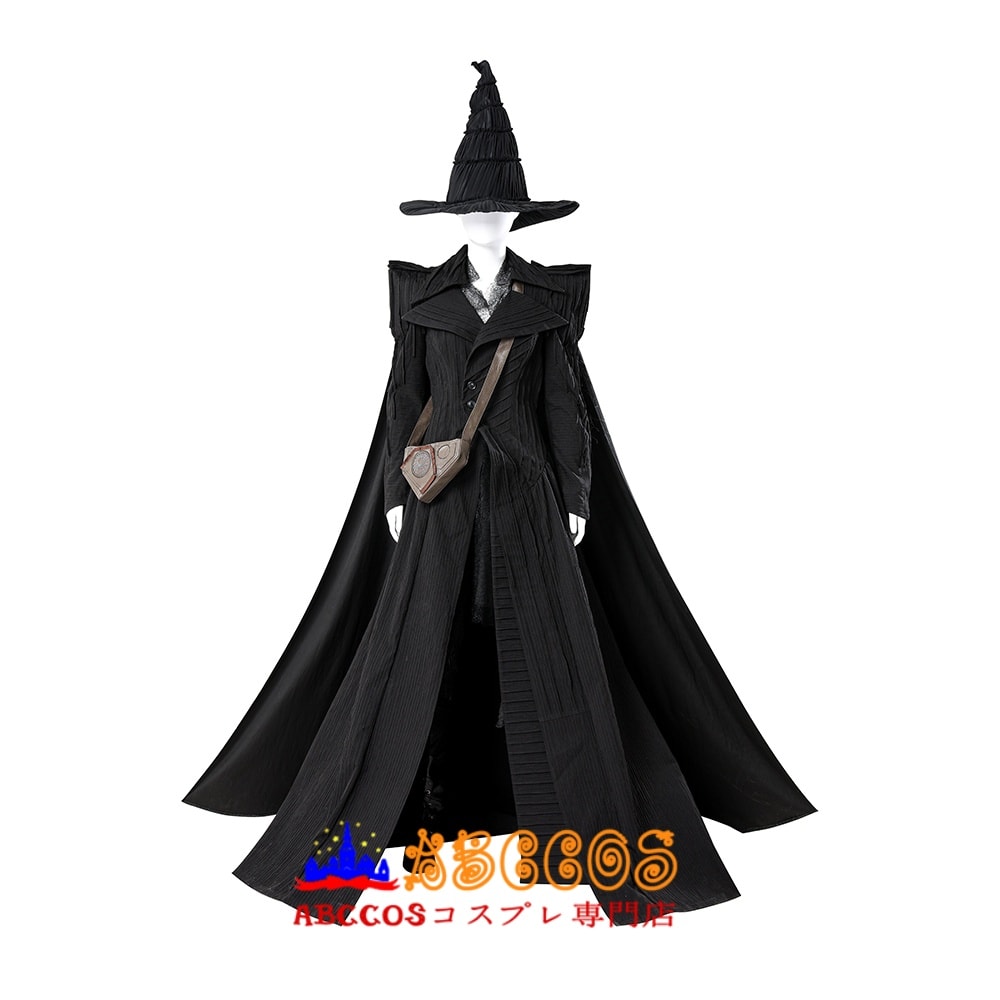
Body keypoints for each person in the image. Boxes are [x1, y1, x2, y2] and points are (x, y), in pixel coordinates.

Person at [183, 59, 815, 926]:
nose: (484, 221)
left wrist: (576, 495)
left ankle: (592, 850)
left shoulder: (544, 302)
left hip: (527, 503)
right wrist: (395, 493)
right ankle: (343, 858)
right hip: (439, 507)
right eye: (472, 210)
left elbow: (564, 408)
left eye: (497, 209)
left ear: (516, 216)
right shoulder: (424, 300)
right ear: (454, 217)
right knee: (406, 661)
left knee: (557, 660)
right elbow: (403, 401)